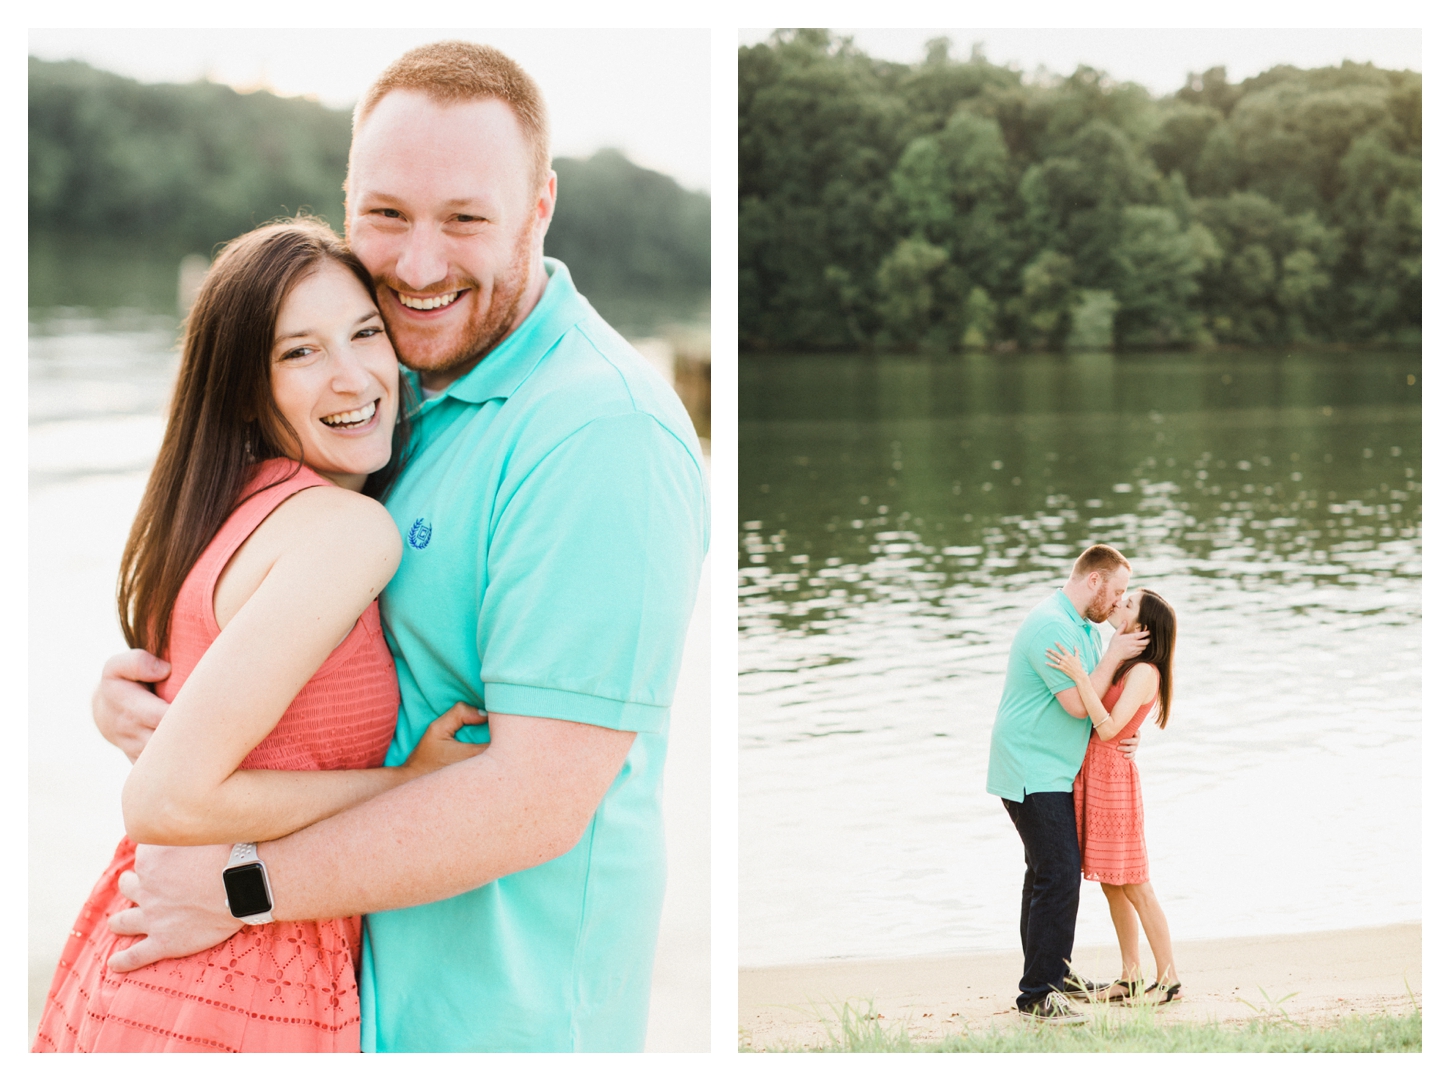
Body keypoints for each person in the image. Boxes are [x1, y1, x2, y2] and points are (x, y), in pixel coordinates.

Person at [87, 41, 707, 1053]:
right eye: (386, 215)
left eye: (465, 218)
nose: (418, 266)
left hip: (505, 1025)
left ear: (538, 208)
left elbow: (535, 800)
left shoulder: (603, 437)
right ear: (346, 201)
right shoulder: (391, 389)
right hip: (341, 1003)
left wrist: (242, 884)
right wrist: (158, 687)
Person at [34, 219, 489, 1052]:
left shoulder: (218, 506)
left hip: (135, 953)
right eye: (299, 353)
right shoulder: (349, 532)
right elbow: (165, 796)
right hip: (243, 968)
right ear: (248, 389)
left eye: (366, 333)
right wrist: (408, 785)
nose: (354, 375)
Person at [984, 544, 1147, 1024]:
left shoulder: (1081, 626)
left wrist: (1127, 733)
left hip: (1053, 767)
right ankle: (1038, 994)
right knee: (1057, 873)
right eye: (1116, 591)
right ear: (1094, 581)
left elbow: (1098, 702)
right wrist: (1116, 651)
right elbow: (1078, 705)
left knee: (1045, 873)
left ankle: (1054, 975)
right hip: (1031, 767)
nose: (1117, 603)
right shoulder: (1053, 625)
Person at [1046, 587, 1181, 1005]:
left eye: (1127, 604)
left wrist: (1080, 678)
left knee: (1136, 884)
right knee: (1111, 884)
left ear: (1141, 627)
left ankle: (1170, 979)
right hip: (1096, 776)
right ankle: (1131, 976)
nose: (1118, 603)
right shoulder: (1125, 665)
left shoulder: (1143, 672)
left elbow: (1107, 729)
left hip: (1114, 784)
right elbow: (1114, 726)